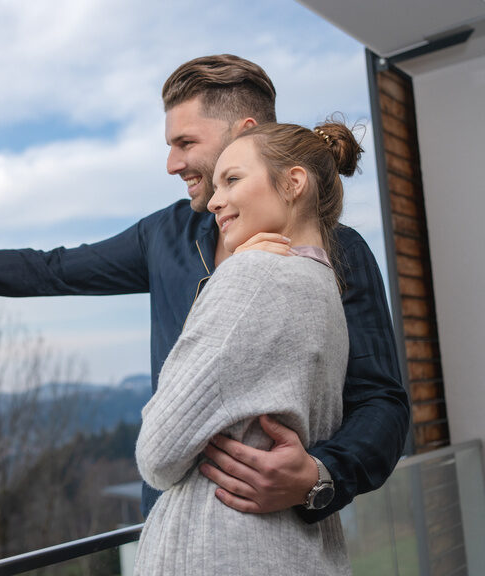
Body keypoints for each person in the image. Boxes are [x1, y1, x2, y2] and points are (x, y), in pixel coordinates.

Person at [0, 54, 409, 523]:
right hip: (171, 533)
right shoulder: (163, 236)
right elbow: (52, 269)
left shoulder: (339, 253)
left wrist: (319, 476)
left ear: (245, 134)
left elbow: (381, 402)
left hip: (279, 540)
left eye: (185, 143)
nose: (170, 163)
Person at [135, 120, 359, 575]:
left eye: (233, 179)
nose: (214, 201)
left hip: (221, 552)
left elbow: (157, 452)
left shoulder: (251, 276)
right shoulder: (325, 286)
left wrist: (231, 276)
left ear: (294, 182)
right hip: (298, 551)